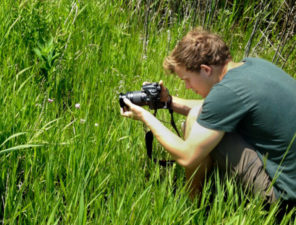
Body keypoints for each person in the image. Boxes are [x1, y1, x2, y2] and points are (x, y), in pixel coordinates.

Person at [120, 27, 296, 209]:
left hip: (284, 196)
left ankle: (192, 204)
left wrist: (146, 117)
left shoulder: (227, 92)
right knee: (205, 120)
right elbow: (216, 110)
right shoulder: (252, 66)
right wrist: (168, 102)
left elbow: (187, 156)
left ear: (205, 70)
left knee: (196, 120)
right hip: (291, 180)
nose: (187, 86)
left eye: (186, 79)